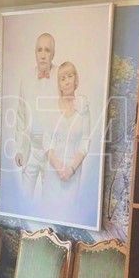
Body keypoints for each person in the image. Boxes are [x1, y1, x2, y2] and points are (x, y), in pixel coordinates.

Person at [14, 32, 58, 199]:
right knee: (25, 198)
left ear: (53, 53)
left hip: (51, 152)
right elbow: (20, 115)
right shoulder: (26, 79)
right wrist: (19, 149)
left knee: (50, 200)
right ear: (35, 53)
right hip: (30, 149)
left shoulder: (60, 77)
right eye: (39, 50)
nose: (43, 55)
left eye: (47, 50)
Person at [42, 61, 91, 209]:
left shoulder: (83, 108)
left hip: (72, 172)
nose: (67, 81)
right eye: (62, 78)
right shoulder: (52, 107)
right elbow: (46, 140)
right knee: (49, 210)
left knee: (68, 211)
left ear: (76, 80)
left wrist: (71, 169)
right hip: (53, 170)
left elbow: (85, 141)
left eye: (70, 76)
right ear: (59, 84)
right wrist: (58, 167)